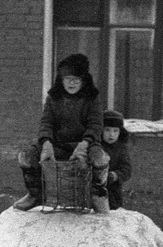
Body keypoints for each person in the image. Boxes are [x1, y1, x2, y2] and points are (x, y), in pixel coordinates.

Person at [13, 52, 110, 214]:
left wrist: (85, 143)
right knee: (26, 156)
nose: (71, 83)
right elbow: (46, 122)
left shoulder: (92, 98)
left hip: (85, 144)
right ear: (61, 79)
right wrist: (46, 143)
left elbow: (95, 124)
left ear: (83, 81)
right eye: (67, 79)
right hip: (58, 144)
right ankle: (35, 194)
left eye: (76, 79)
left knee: (100, 158)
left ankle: (97, 195)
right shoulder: (54, 98)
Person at [100, 109, 134, 210]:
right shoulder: (96, 147)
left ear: (120, 132)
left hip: (114, 192)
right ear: (101, 130)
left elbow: (126, 170)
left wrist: (115, 176)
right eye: (107, 130)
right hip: (94, 189)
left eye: (115, 131)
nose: (111, 135)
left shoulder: (121, 149)